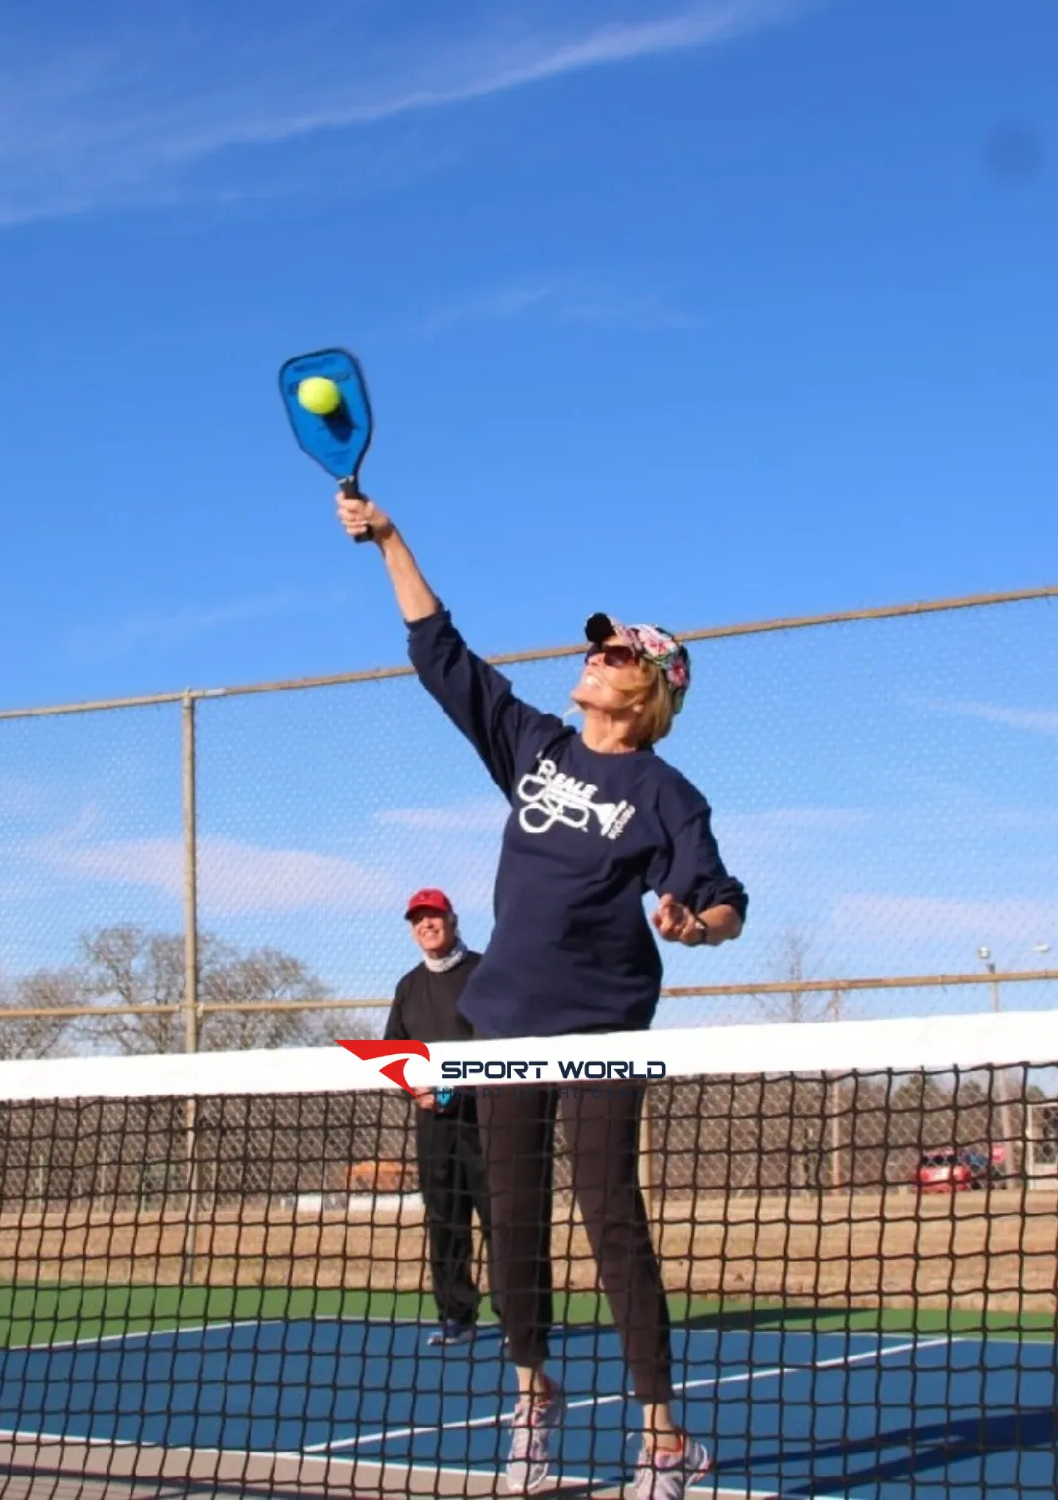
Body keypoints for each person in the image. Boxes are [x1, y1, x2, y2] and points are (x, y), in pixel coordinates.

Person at [336, 490, 746, 1500]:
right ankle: (534, 1401)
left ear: (646, 689)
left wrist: (696, 926)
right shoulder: (535, 747)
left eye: (612, 655)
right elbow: (442, 655)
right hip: (503, 1024)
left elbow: (723, 900)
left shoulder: (667, 794)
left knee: (611, 1213)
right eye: (595, 649)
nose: (591, 657)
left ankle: (661, 1440)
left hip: (604, 1028)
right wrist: (390, 540)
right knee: (512, 1215)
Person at [384, 885, 495, 1348]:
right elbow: (392, 1051)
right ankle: (457, 1316)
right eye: (418, 920)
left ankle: (522, 1321)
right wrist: (418, 1087)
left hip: (490, 1121)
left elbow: (503, 1038)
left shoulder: (487, 972)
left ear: (452, 919)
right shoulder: (408, 987)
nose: (426, 925)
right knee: (445, 1222)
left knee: (503, 1221)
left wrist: (464, 1082)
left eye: (434, 916)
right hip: (435, 1128)